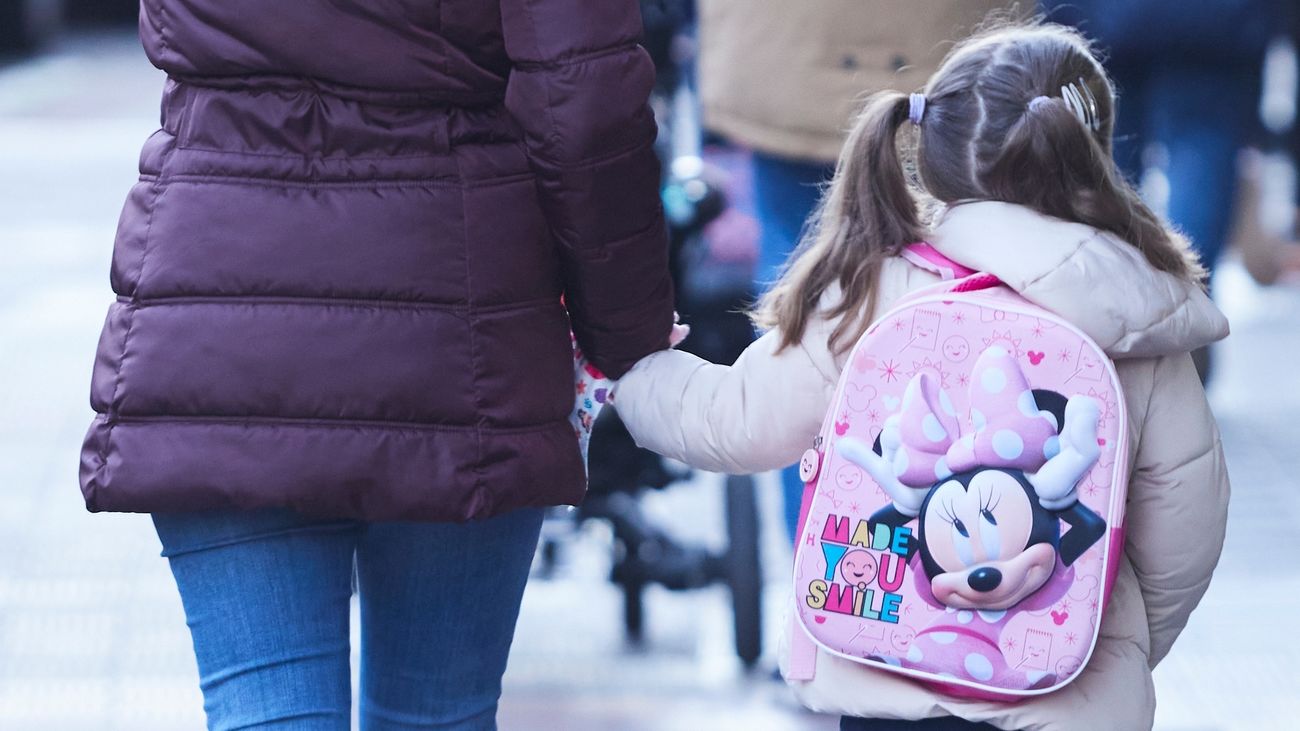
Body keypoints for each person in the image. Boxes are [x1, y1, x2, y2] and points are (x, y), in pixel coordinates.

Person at [614, 21, 1230, 731]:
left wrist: (632, 369)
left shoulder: (870, 288)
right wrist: (1102, 634)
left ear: (929, 148)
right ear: (1090, 154)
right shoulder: (1140, 312)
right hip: (1063, 696)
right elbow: (1187, 530)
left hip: (885, 675)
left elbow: (732, 421)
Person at [78, 1, 674, 729]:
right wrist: (627, 333)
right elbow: (585, 97)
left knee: (265, 711)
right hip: (461, 325)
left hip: (221, 304)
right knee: (438, 712)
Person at [696, 0, 1015, 540]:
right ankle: (966, 537)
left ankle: (819, 551)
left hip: (783, 48)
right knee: (966, 298)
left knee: (796, 299)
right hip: (950, 47)